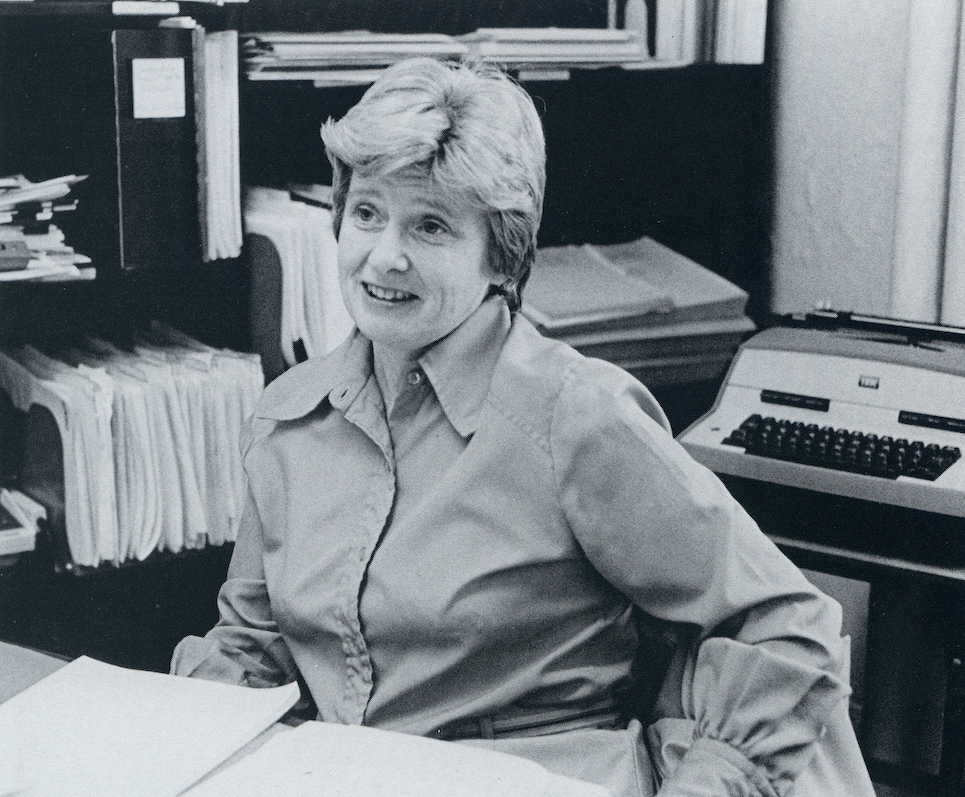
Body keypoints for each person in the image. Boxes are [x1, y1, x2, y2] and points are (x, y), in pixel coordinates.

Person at [172, 57, 874, 796]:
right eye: (367, 213)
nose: (385, 255)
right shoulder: (288, 413)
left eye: (431, 225)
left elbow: (788, 627)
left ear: (499, 253)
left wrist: (711, 784)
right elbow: (253, 645)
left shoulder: (576, 413)